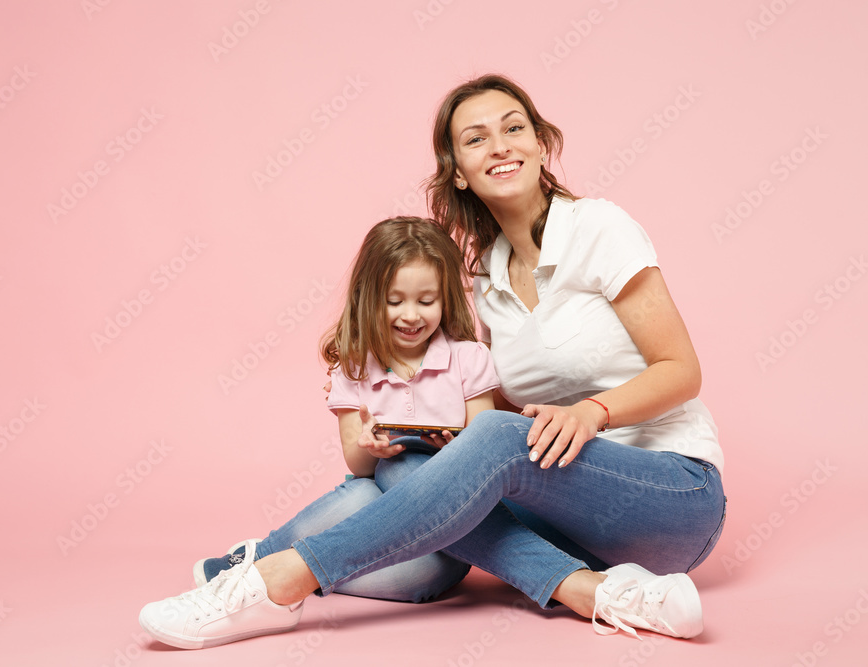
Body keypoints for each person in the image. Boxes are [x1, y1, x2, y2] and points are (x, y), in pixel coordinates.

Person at [138, 73, 727, 648]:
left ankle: (276, 580)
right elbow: (500, 408)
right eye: (476, 139)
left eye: (513, 127)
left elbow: (681, 370)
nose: (499, 146)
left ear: (539, 143)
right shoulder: (484, 280)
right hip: (567, 523)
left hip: (668, 496)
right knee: (411, 461)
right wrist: (425, 431)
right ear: (460, 174)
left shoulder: (600, 227)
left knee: (489, 441)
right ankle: (590, 592)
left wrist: (591, 413)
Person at [138, 217, 501, 648]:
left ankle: (292, 572)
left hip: (449, 535)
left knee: (423, 582)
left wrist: (457, 449)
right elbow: (358, 464)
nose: (410, 315)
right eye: (395, 301)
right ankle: (262, 560)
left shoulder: (470, 358)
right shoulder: (354, 365)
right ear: (369, 299)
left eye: (426, 301)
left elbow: (487, 448)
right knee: (377, 481)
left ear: (445, 300)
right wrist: (372, 449)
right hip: (372, 497)